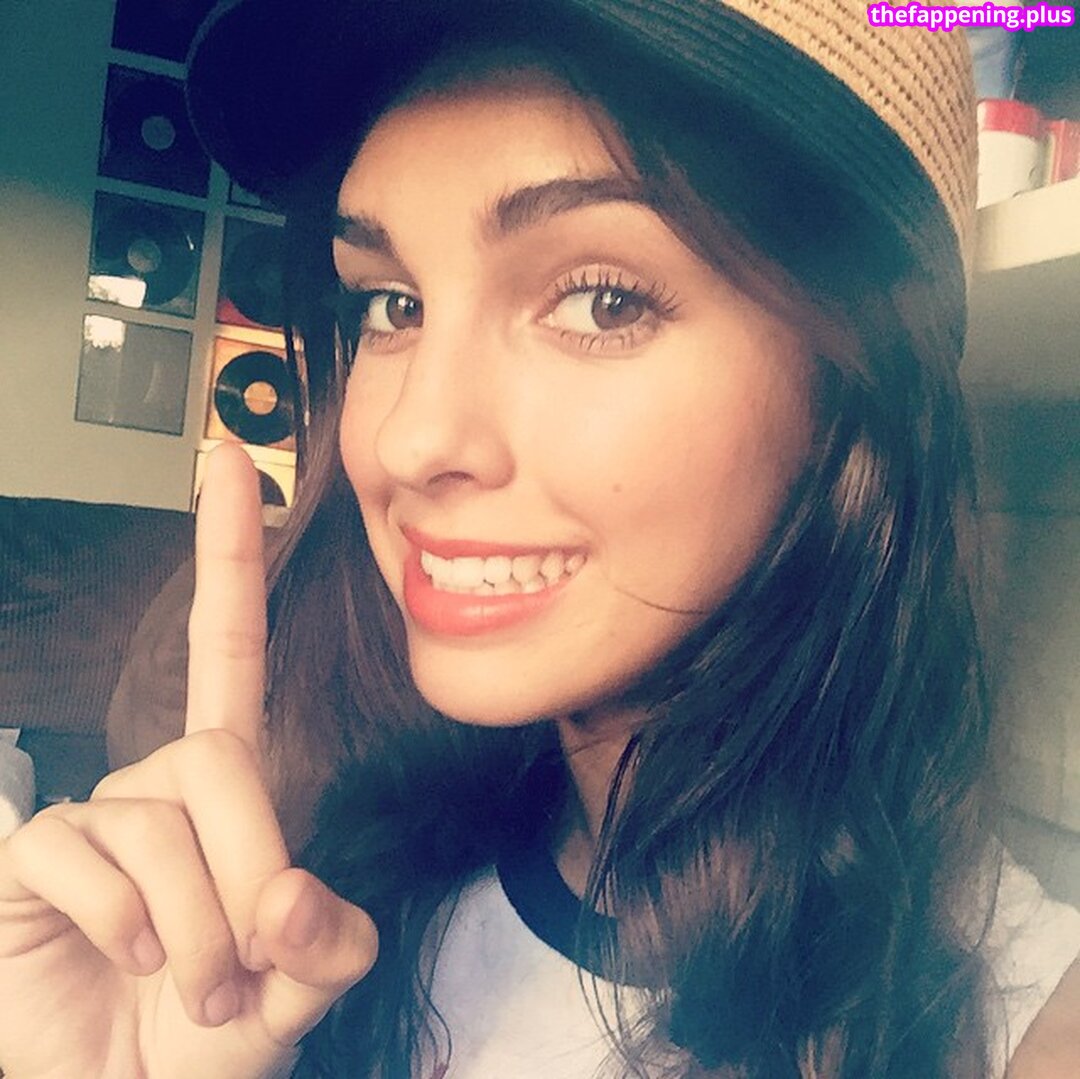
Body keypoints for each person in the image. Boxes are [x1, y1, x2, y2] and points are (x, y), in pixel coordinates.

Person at [2, 1, 1079, 1076]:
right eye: (390, 305)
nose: (411, 439)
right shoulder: (324, 910)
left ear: (857, 396)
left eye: (602, 301)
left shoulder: (1020, 1025)